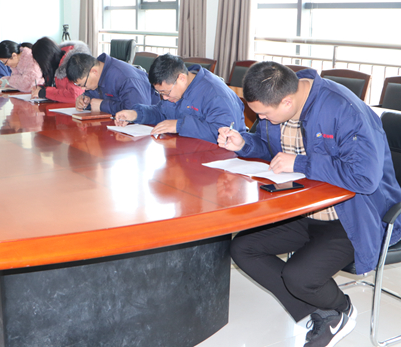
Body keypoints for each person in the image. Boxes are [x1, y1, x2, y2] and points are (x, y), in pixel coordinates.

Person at [216, 61, 401, 347]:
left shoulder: (343, 110)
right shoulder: (280, 100)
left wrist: (301, 163)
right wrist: (244, 144)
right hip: (306, 210)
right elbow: (270, 149)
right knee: (243, 248)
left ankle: (340, 308)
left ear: (287, 102)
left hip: (353, 217)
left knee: (298, 276)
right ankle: (323, 312)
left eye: (264, 114)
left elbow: (365, 178)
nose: (260, 118)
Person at [113, 54, 245, 141]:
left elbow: (225, 134)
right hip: (186, 153)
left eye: (166, 92)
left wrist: (179, 125)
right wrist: (136, 114)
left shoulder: (216, 94)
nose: (164, 98)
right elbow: (161, 112)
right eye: (160, 93)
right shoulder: (177, 91)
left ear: (181, 78)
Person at [66, 52, 159, 115]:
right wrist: (85, 101)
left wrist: (102, 106)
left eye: (83, 85)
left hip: (149, 130)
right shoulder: (97, 77)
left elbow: (137, 112)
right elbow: (95, 100)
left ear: (94, 72)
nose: (84, 89)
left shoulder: (125, 78)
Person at [30, 37, 89, 103]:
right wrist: (42, 88)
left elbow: (75, 95)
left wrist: (45, 93)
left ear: (44, 61)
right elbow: (58, 88)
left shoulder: (73, 63)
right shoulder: (56, 64)